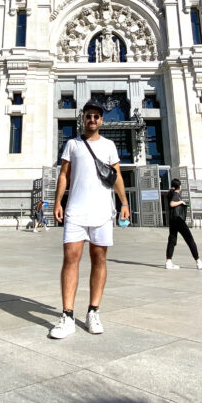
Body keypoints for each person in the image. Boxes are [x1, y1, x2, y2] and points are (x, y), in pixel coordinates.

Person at [49, 101, 129, 339]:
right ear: (82, 119)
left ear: (101, 120)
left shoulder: (109, 145)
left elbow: (117, 176)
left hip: (103, 211)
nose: (92, 120)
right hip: (75, 211)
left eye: (96, 116)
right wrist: (57, 203)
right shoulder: (72, 144)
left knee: (99, 259)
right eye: (88, 116)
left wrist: (124, 202)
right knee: (71, 258)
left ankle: (93, 311)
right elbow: (64, 175)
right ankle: (67, 315)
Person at [164, 179, 202, 270]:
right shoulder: (176, 194)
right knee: (190, 240)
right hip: (179, 221)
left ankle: (168, 262)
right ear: (179, 186)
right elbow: (172, 204)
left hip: (172, 220)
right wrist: (181, 202)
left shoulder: (170, 193)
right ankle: (198, 262)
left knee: (172, 240)